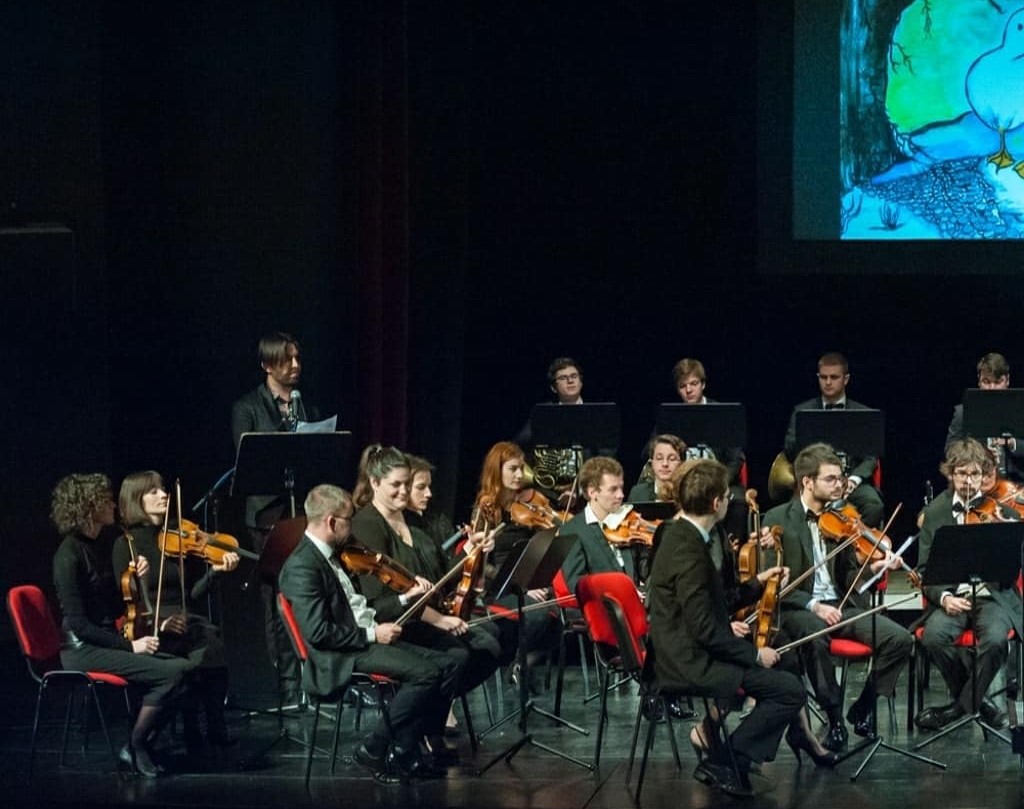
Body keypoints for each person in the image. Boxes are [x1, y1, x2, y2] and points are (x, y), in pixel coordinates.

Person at [277, 484, 458, 783]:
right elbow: (319, 632)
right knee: (425, 673)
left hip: (363, 636)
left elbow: (358, 605)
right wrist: (374, 635)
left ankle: (404, 749)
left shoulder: (335, 554)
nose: (353, 528)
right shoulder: (302, 566)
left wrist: (400, 602)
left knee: (449, 662)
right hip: (341, 653)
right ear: (332, 522)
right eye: (349, 521)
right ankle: (375, 748)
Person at [647, 459, 806, 795]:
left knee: (788, 664)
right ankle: (728, 759)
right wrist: (753, 655)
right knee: (789, 690)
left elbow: (718, 601)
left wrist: (759, 583)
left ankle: (738, 759)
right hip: (686, 660)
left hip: (692, 649)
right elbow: (704, 629)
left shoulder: (688, 537)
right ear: (717, 503)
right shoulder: (688, 549)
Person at [349, 445, 500, 754]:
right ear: (374, 483)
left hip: (424, 616)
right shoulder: (366, 525)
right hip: (394, 622)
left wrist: (472, 553)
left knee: (488, 647)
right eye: (396, 485)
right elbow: (380, 599)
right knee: (457, 656)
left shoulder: (414, 522)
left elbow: (445, 574)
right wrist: (440, 620)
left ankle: (422, 726)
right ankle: (415, 734)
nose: (404, 491)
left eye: (407, 484)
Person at [763, 443, 912, 752]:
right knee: (815, 638)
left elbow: (847, 576)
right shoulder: (777, 519)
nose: (840, 485)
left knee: (900, 639)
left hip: (841, 606)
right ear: (807, 482)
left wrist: (874, 567)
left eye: (841, 478)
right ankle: (834, 719)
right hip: (799, 607)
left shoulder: (841, 518)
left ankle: (864, 705)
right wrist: (814, 605)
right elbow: (773, 585)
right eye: (830, 479)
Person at [51, 473, 193, 778]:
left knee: (186, 669)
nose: (112, 504)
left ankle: (141, 741)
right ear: (88, 506)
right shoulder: (68, 555)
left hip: (102, 640)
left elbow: (115, 607)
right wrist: (131, 646)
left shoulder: (97, 546)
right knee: (172, 673)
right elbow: (79, 623)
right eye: (105, 499)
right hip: (81, 648)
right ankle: (136, 744)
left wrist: (137, 577)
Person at [111, 471, 240, 750]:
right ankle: (187, 726)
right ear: (136, 500)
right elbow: (125, 598)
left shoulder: (177, 537)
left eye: (162, 489)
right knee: (197, 651)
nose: (163, 494)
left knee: (212, 642)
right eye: (153, 492)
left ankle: (214, 726)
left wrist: (215, 572)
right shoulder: (126, 544)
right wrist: (159, 622)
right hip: (149, 621)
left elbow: (191, 594)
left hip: (183, 615)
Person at [230, 331, 320, 706]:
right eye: (286, 360)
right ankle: (285, 683)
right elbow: (249, 460)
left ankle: (314, 680)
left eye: (298, 358)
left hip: (303, 512)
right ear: (267, 365)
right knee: (276, 597)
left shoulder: (304, 406)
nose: (295, 366)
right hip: (269, 516)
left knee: (308, 593)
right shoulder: (248, 406)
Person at [914, 438, 1021, 732]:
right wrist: (945, 597)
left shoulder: (1004, 514)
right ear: (950, 474)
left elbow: (1012, 572)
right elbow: (924, 570)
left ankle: (956, 709)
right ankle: (981, 705)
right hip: (953, 599)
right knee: (933, 637)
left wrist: (1005, 533)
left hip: (992, 597)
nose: (968, 481)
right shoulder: (935, 514)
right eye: (961, 473)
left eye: (974, 474)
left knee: (998, 640)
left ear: (984, 475)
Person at [472, 441, 562, 681]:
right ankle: (513, 664)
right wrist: (517, 582)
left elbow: (539, 550)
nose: (520, 474)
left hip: (527, 582)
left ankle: (521, 665)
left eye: (522, 468)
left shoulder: (527, 504)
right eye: (513, 468)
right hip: (498, 586)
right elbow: (480, 565)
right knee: (539, 615)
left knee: (559, 621)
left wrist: (537, 582)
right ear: (497, 470)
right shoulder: (486, 508)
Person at [782, 352, 884, 527]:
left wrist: (853, 480)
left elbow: (870, 456)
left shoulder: (862, 413)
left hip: (851, 478)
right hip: (813, 481)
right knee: (791, 510)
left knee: (874, 506)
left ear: (846, 379)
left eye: (834, 377)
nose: (828, 382)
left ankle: (853, 547)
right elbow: (790, 449)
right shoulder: (802, 411)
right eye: (823, 377)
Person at [515, 357, 587, 504]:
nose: (570, 381)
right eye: (563, 378)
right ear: (553, 387)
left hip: (585, 493)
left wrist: (578, 488)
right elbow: (519, 444)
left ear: (581, 381)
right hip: (546, 495)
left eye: (574, 376)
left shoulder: (596, 415)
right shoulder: (543, 413)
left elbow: (604, 459)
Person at [945, 352, 1024, 482]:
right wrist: (974, 453)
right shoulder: (963, 413)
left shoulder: (1020, 410)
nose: (991, 389)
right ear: (979, 381)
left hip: (1017, 486)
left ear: (1007, 381)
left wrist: (1012, 443)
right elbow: (950, 451)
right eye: (986, 382)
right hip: (976, 484)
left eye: (997, 382)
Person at [404, 454, 457, 556]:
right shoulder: (397, 524)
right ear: (404, 486)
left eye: (428, 486)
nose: (429, 494)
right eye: (421, 487)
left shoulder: (439, 522)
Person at [628, 434, 685, 502]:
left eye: (672, 459)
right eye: (659, 458)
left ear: (682, 463)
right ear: (652, 462)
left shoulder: (688, 493)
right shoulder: (637, 493)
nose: (665, 464)